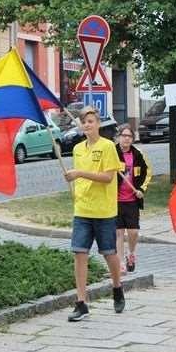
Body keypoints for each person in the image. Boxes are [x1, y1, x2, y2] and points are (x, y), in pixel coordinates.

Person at [65, 107, 125, 322]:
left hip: (104, 210)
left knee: (109, 253)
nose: (87, 125)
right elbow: (78, 177)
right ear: (80, 126)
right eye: (84, 122)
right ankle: (81, 302)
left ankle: (117, 287)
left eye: (91, 121)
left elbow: (108, 177)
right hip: (82, 209)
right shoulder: (78, 149)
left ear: (98, 124)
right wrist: (74, 183)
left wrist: (79, 173)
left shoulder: (108, 146)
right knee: (79, 253)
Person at [115, 123, 152, 274]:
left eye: (129, 136)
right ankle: (120, 262)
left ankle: (131, 253)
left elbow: (147, 173)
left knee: (133, 232)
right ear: (119, 137)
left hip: (132, 200)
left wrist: (141, 189)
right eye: (124, 136)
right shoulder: (113, 153)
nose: (126, 139)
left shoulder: (138, 155)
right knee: (118, 232)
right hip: (115, 200)